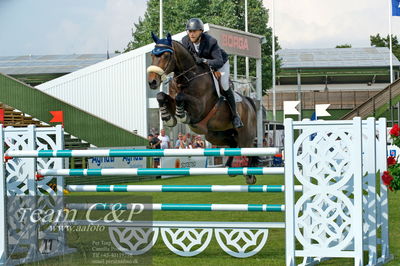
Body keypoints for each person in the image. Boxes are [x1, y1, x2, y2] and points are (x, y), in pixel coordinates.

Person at [181, 18, 243, 129]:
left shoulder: (211, 42)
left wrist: (204, 61)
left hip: (220, 64)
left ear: (201, 31)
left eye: (194, 31)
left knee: (224, 85)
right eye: (189, 31)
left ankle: (235, 116)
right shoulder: (185, 41)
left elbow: (218, 61)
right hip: (202, 67)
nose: (192, 34)